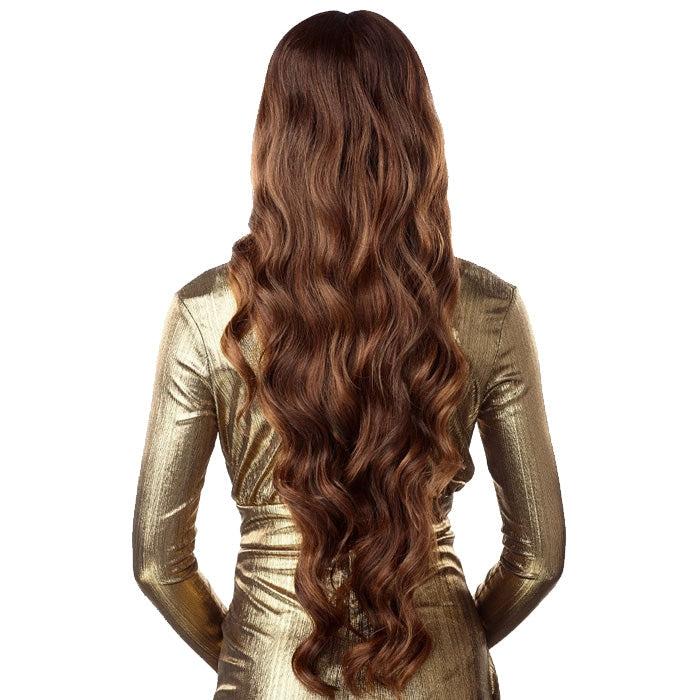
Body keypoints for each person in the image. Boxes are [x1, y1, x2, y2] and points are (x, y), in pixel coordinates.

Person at [132, 10, 565, 700]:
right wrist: (455, 641)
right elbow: (538, 558)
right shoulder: (489, 310)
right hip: (439, 671)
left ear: (277, 138)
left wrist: (248, 650)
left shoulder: (206, 313)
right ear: (417, 137)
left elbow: (159, 565)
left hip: (272, 676)